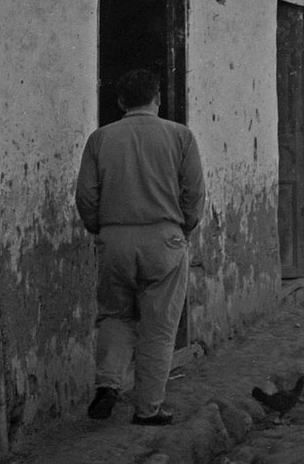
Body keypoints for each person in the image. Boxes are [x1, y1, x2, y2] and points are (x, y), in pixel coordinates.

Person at [75, 69, 205, 426]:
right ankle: (148, 408)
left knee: (116, 316)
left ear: (119, 102)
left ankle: (108, 383)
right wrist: (184, 226)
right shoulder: (181, 136)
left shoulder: (100, 138)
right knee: (159, 327)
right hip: (164, 238)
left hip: (115, 238)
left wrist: (100, 228)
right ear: (157, 97)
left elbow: (86, 194)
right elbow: (194, 193)